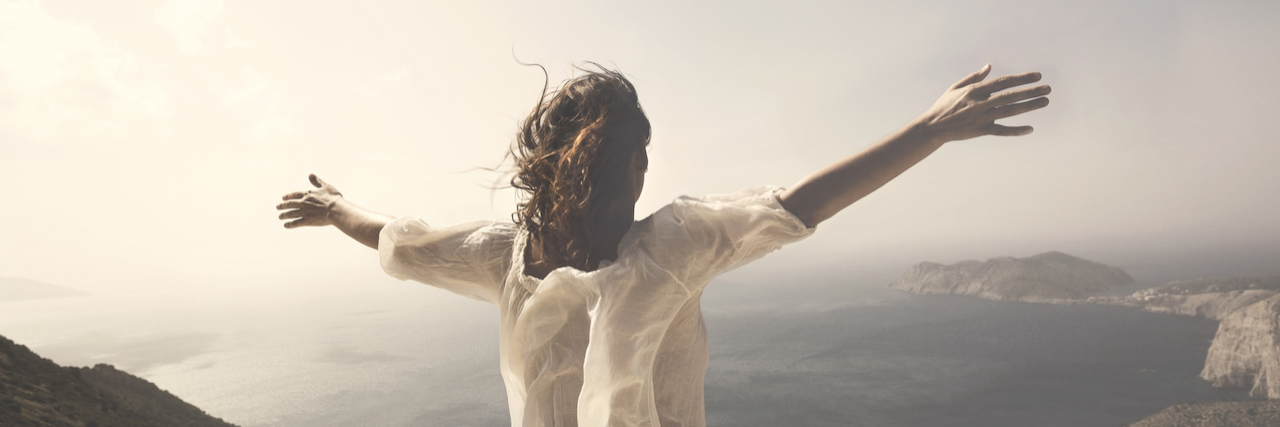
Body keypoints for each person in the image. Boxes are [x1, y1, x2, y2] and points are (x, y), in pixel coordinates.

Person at [276, 63, 1050, 427]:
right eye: (640, 156)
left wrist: (336, 205)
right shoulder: (669, 245)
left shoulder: (506, 254)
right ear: (620, 166)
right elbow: (804, 204)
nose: (647, 170)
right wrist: (931, 129)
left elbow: (395, 239)